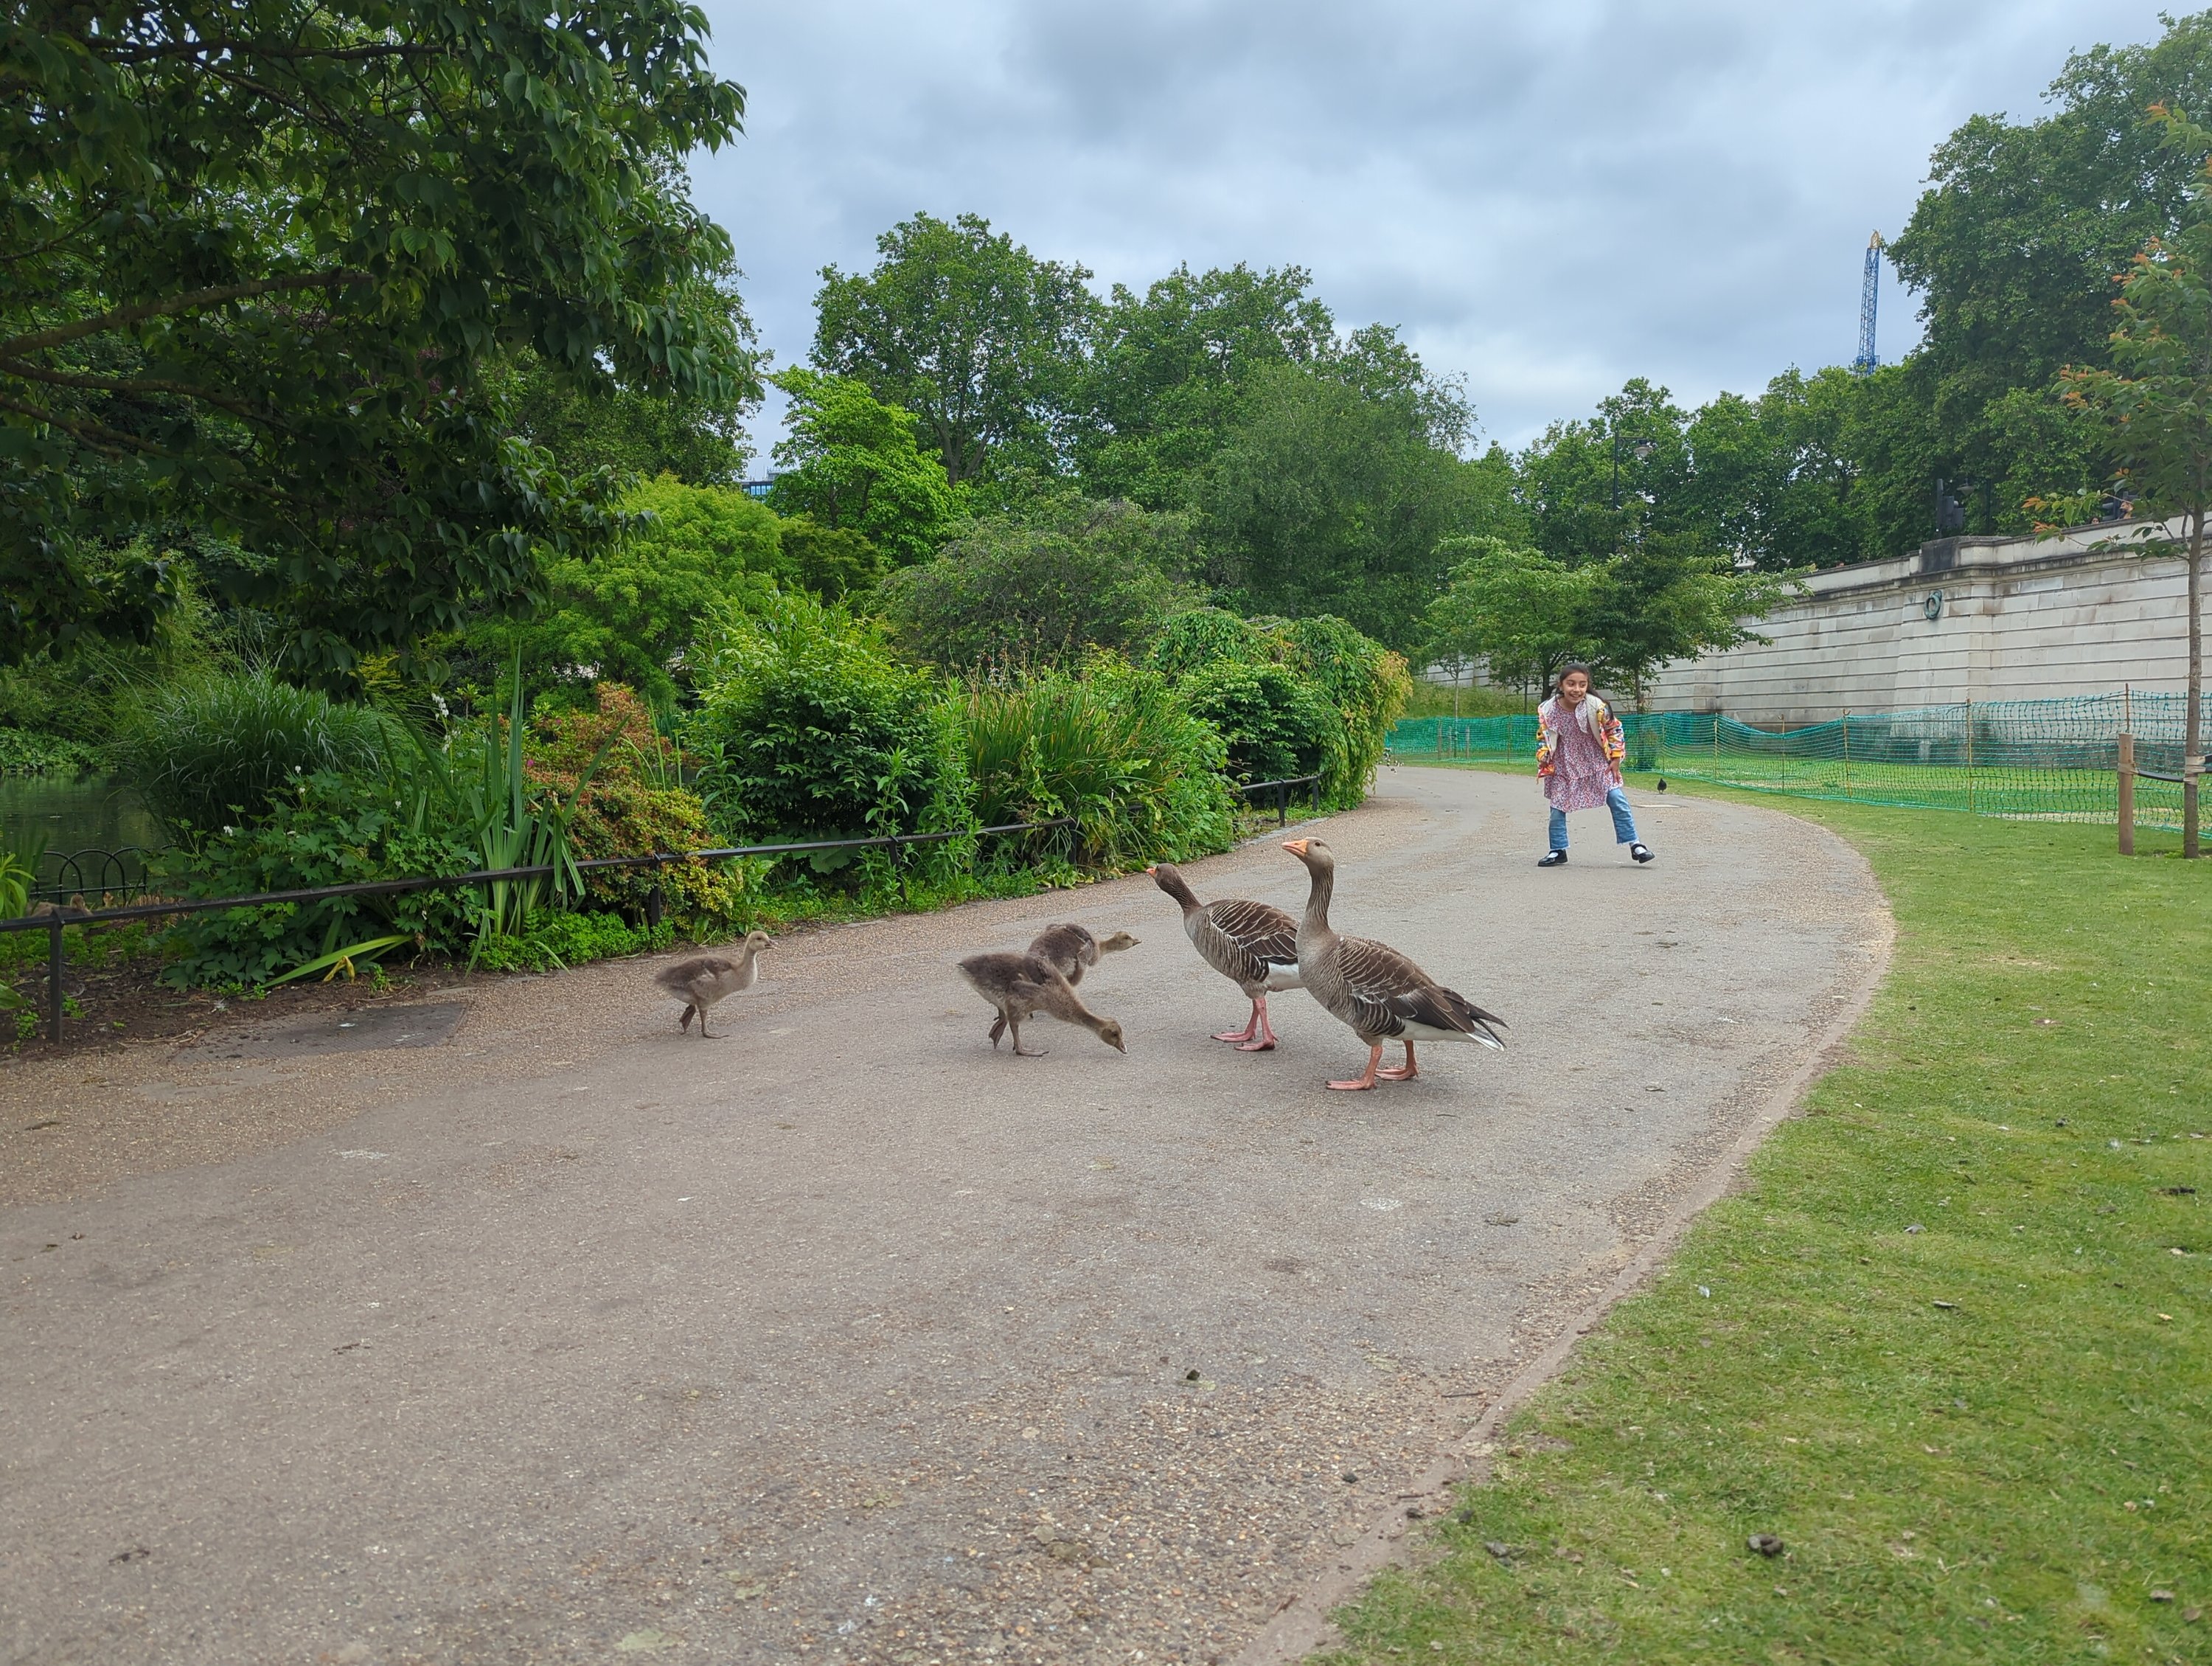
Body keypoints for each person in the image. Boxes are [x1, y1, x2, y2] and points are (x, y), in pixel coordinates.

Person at [1534, 664, 1652, 867]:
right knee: (1557, 808)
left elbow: (1614, 730)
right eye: (1571, 684)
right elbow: (1544, 736)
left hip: (1597, 763)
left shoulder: (1596, 706)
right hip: (1565, 765)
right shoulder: (1549, 710)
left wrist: (1616, 758)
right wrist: (1543, 754)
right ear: (1561, 685)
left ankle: (1636, 845)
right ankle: (1557, 850)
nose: (1576, 689)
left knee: (1617, 799)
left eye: (1582, 685)